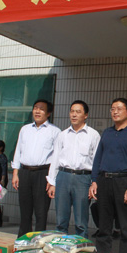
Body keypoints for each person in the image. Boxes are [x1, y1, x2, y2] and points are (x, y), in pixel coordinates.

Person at [89, 98, 127, 253]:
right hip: (104, 181)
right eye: (113, 109)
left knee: (125, 226)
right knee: (104, 226)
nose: (115, 112)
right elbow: (98, 159)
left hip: (124, 182)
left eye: (119, 108)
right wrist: (94, 180)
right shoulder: (107, 133)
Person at [46, 100, 100, 238]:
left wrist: (94, 182)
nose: (74, 115)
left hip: (83, 178)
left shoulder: (93, 135)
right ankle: (60, 247)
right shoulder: (62, 135)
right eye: (72, 111)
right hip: (63, 177)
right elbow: (55, 159)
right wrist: (52, 182)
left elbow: (97, 161)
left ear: (85, 115)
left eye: (78, 112)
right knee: (61, 219)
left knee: (81, 221)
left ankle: (81, 247)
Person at [12, 100, 60, 236]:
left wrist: (52, 180)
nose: (37, 111)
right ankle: (23, 241)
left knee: (41, 212)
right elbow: (18, 151)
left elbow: (56, 158)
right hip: (25, 172)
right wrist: (15, 173)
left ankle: (39, 242)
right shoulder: (25, 129)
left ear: (48, 113)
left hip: (43, 173)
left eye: (41, 109)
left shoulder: (55, 131)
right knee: (25, 210)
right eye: (35, 108)